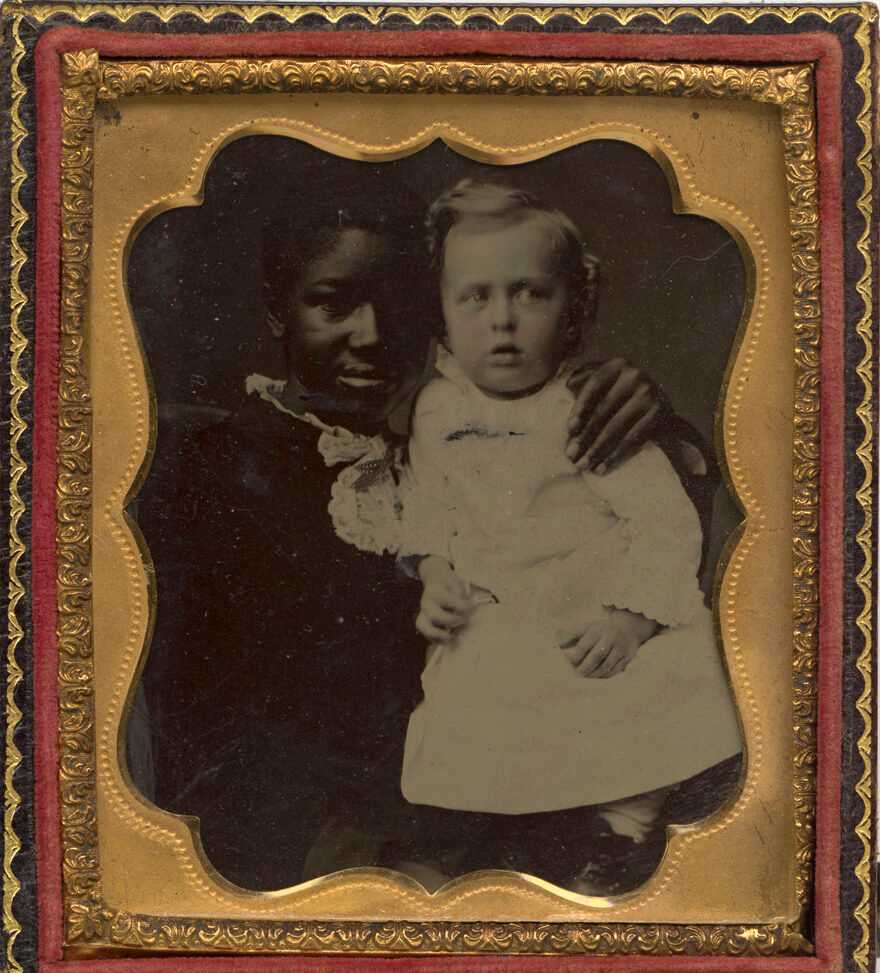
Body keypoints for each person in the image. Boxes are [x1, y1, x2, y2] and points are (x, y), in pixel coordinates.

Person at [132, 165, 703, 892]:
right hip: (326, 837)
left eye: (399, 299)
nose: (371, 334)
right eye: (332, 304)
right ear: (278, 311)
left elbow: (621, 513)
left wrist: (643, 419)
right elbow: (210, 725)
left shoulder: (484, 427)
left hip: (528, 793)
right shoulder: (218, 470)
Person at [354, 179, 743, 895]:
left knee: (642, 695)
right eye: (476, 297)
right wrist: (436, 573)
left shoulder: (586, 409)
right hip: (500, 612)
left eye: (530, 294)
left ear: (573, 310)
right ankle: (474, 833)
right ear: (441, 310)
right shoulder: (436, 409)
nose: (503, 321)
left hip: (588, 609)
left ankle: (622, 822)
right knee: (478, 693)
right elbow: (432, 508)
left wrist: (630, 614)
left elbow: (663, 520)